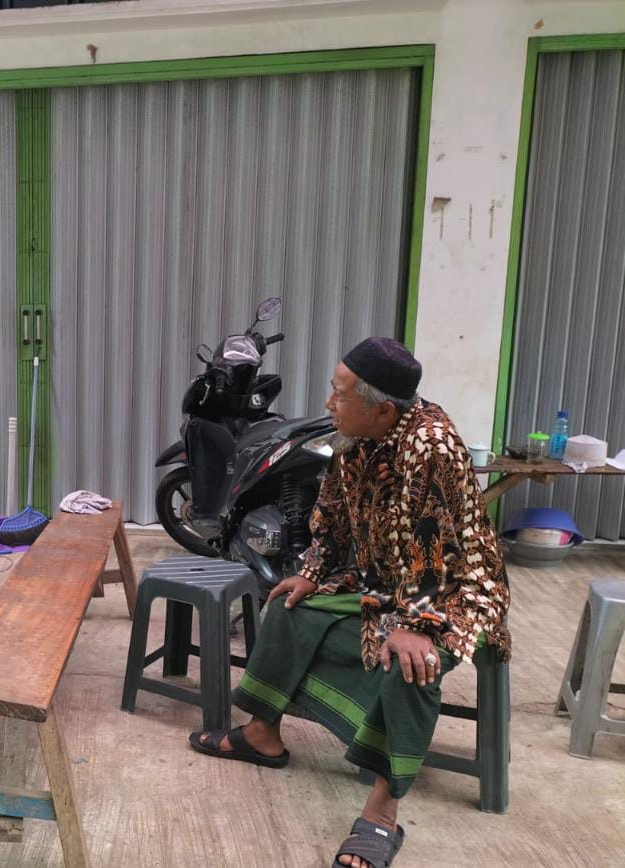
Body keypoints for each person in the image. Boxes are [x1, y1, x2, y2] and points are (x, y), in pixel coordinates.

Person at [189, 337, 510, 868]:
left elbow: (435, 547)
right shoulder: (352, 437)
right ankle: (263, 734)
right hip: (382, 579)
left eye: (339, 395)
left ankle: (383, 811)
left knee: (410, 662)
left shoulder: (430, 446)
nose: (328, 403)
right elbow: (332, 517)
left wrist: (417, 625)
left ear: (382, 407)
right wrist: (313, 575)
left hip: (453, 594)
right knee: (288, 609)